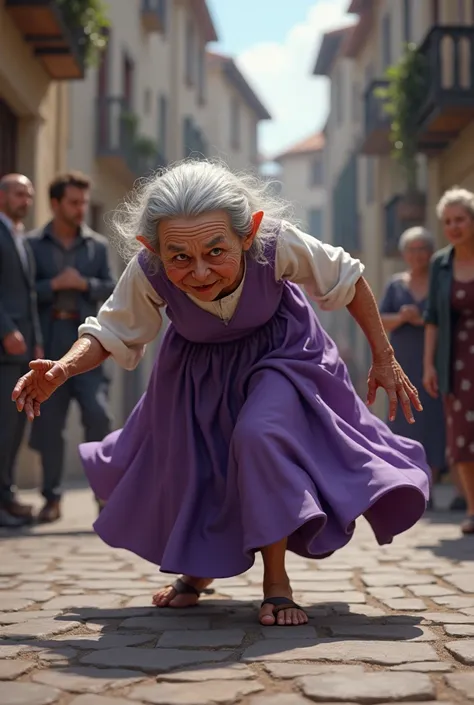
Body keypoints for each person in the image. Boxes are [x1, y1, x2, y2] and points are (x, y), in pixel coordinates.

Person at [13, 161, 430, 626]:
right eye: (180, 258)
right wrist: (63, 369)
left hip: (282, 353)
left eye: (216, 251)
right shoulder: (148, 268)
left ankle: (277, 584)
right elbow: (111, 330)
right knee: (200, 462)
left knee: (259, 435)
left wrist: (383, 356)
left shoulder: (275, 242)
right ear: (152, 247)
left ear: (247, 233)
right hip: (199, 367)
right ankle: (199, 570)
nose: (200, 271)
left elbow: (347, 280)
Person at [27, 171, 115, 523]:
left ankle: (104, 498)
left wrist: (84, 284)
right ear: (55, 203)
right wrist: (52, 286)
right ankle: (52, 499)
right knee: (49, 425)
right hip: (46, 342)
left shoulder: (98, 246)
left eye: (83, 202)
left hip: (86, 346)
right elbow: (21, 293)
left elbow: (112, 289)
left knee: (99, 415)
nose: (81, 209)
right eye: (73, 202)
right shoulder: (32, 245)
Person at [379, 227, 446, 508]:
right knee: (404, 421)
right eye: (411, 249)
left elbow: (448, 319)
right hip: (402, 363)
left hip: (433, 363)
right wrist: (403, 317)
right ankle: (409, 487)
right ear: (404, 254)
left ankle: (430, 485)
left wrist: (424, 320)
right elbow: (380, 320)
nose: (417, 254)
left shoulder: (440, 282)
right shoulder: (395, 284)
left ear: (430, 252)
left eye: (422, 248)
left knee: (434, 421)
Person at [424, 186, 474, 535]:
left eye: (461, 219)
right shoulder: (440, 263)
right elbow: (433, 318)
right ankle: (473, 509)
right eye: (448, 222)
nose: (454, 227)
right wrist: (428, 365)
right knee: (462, 437)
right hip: (455, 360)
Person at [0, 174, 42, 527]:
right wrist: (7, 329)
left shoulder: (20, 238)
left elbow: (29, 297)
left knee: (13, 428)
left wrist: (37, 338)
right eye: (18, 194)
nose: (25, 200)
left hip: (23, 349)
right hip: (4, 346)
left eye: (29, 195)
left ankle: (6, 496)